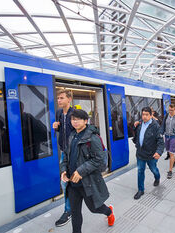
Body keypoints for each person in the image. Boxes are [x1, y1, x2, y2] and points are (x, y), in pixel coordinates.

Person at [60, 109, 115, 233]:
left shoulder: (92, 138)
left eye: (78, 119)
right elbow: (66, 156)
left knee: (94, 208)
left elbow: (99, 160)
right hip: (73, 183)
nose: (75, 122)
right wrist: (64, 170)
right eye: (73, 119)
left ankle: (109, 212)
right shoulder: (72, 135)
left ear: (85, 121)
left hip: (87, 182)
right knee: (75, 212)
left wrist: (80, 171)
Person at [53, 89, 74, 227]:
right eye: (58, 98)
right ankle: (68, 210)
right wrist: (56, 127)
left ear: (69, 99)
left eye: (61, 98)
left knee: (77, 182)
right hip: (64, 153)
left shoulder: (75, 114)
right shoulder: (59, 113)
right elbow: (62, 131)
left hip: (75, 152)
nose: (59, 100)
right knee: (65, 182)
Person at [132, 107, 164, 200]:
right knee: (140, 171)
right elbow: (136, 135)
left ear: (151, 115)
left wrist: (159, 152)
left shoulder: (156, 126)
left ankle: (157, 177)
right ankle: (140, 190)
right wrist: (134, 126)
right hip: (140, 154)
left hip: (151, 155)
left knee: (153, 169)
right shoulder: (140, 124)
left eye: (146, 115)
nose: (144, 117)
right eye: (143, 115)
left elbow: (160, 141)